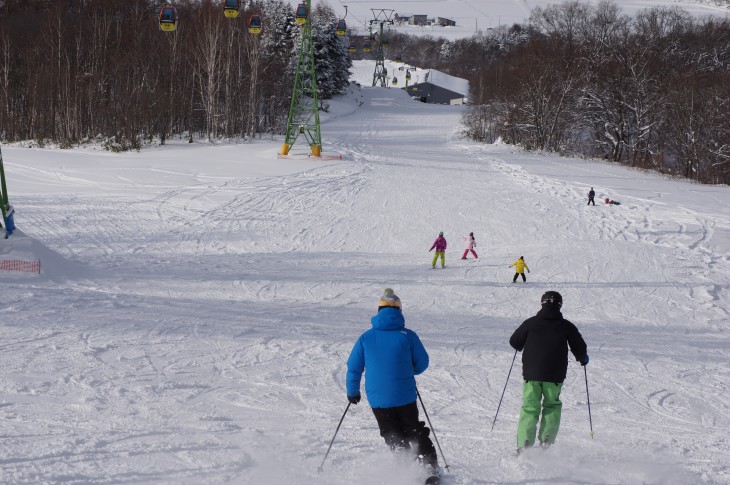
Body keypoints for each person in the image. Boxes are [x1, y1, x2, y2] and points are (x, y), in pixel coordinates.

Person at [346, 288, 440, 480]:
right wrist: (407, 370)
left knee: (391, 433)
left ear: (379, 311)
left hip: (378, 398)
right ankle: (429, 467)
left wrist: (352, 392)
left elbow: (354, 368)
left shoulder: (366, 337)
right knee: (414, 429)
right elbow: (422, 363)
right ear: (399, 310)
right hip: (404, 394)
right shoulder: (408, 335)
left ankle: (404, 470)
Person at [509, 291, 588, 454]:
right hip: (555, 375)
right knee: (552, 405)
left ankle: (524, 442)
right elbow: (579, 346)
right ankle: (546, 439)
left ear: (542, 304)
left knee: (530, 406)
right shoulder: (566, 326)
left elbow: (514, 341)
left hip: (532, 375)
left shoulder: (530, 323)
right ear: (560, 305)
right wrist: (582, 358)